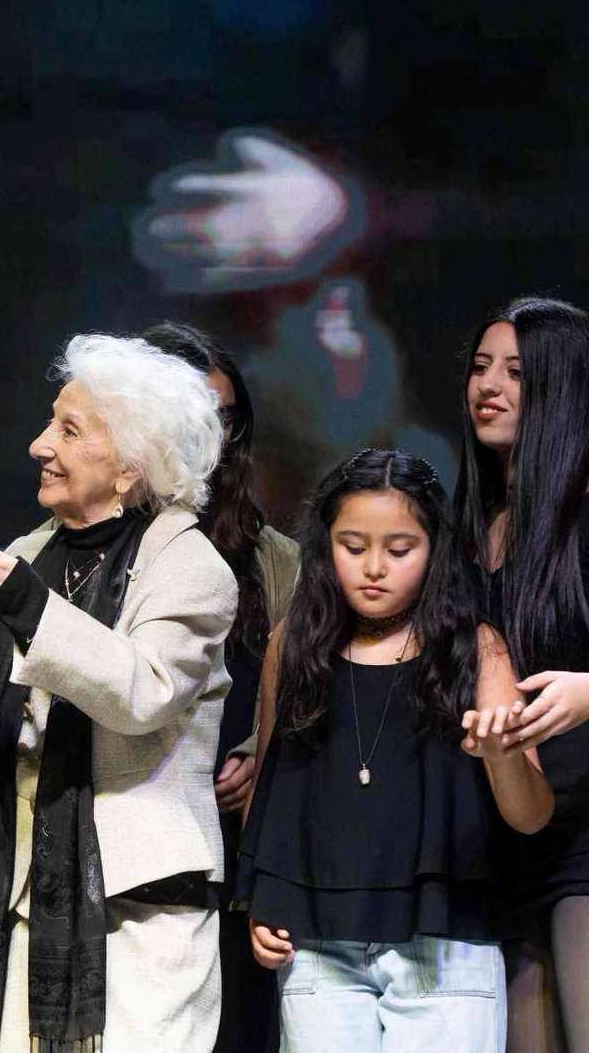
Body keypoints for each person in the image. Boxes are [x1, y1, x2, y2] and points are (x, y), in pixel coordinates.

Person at [0, 333, 236, 1052]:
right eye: (50, 422)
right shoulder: (27, 555)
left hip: (139, 915)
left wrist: (20, 602)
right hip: (17, 900)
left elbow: (143, 692)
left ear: (131, 462)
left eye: (69, 431)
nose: (39, 445)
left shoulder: (191, 566)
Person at [237, 449, 553, 1053]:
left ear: (434, 549)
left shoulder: (474, 648)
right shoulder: (295, 643)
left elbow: (530, 815)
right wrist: (262, 902)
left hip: (445, 943)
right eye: (352, 547)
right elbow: (271, 787)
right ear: (325, 544)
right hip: (318, 946)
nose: (374, 567)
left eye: (400, 549)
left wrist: (500, 752)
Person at [142, 320, 298, 1053]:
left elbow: (314, 692)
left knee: (242, 1022)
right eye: (193, 411)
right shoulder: (98, 544)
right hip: (138, 821)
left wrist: (258, 751)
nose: (212, 433)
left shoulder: (276, 559)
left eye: (225, 416)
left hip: (242, 837)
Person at [454, 297, 589, 1053]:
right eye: (480, 368)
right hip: (508, 837)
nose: (489, 386)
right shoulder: (470, 529)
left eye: (515, 372)